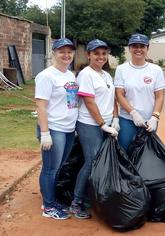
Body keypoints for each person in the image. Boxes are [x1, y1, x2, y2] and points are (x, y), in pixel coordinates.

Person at [71, 39, 119, 219]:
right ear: (89, 55)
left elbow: (113, 98)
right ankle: (76, 202)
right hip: (89, 125)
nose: (101, 57)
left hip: (106, 124)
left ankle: (88, 196)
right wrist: (102, 125)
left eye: (103, 53)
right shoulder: (86, 74)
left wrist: (115, 118)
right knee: (91, 162)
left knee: (99, 163)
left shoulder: (106, 75)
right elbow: (89, 102)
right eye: (96, 53)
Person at [35, 38, 78, 220]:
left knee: (59, 167)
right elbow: (41, 106)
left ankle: (52, 198)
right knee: (50, 168)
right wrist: (45, 133)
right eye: (62, 51)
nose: (66, 55)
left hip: (68, 128)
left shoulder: (70, 75)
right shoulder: (47, 75)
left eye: (69, 52)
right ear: (54, 53)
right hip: (53, 128)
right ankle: (48, 206)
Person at [114, 33, 165, 151]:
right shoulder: (121, 69)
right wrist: (134, 113)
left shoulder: (155, 70)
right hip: (128, 119)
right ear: (130, 48)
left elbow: (160, 96)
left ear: (147, 48)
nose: (138, 49)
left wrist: (155, 117)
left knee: (146, 155)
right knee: (125, 153)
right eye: (135, 46)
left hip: (149, 121)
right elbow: (119, 95)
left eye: (142, 46)